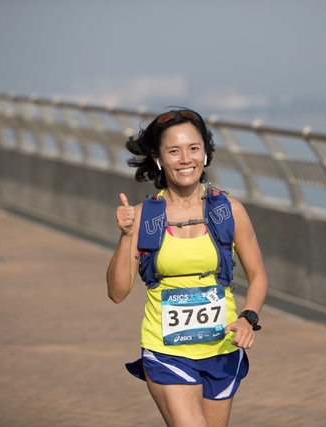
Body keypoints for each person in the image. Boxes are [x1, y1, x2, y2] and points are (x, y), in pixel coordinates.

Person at [106, 108, 268, 427]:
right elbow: (116, 292)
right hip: (167, 351)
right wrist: (126, 237)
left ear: (205, 153)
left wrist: (247, 318)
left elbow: (258, 275)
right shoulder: (142, 216)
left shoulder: (229, 210)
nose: (185, 159)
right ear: (158, 158)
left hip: (222, 350)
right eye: (174, 151)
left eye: (193, 148)